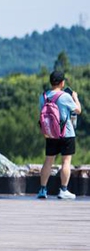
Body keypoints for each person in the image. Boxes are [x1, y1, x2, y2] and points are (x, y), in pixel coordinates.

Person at [38, 70, 82, 200]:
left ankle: (42, 190)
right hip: (66, 133)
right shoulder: (65, 96)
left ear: (51, 82)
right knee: (66, 161)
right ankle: (63, 190)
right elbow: (78, 110)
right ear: (62, 83)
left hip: (50, 134)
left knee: (48, 161)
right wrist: (75, 98)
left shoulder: (44, 96)